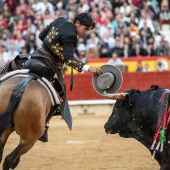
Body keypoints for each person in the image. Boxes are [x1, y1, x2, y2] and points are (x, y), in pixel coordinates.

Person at [0, 12, 103, 142]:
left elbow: (42, 35)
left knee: (7, 71)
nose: (86, 32)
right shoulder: (72, 36)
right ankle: (43, 127)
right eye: (85, 28)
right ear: (77, 23)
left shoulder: (60, 20)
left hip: (34, 57)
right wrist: (89, 68)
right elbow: (69, 61)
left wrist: (53, 46)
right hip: (48, 67)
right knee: (59, 97)